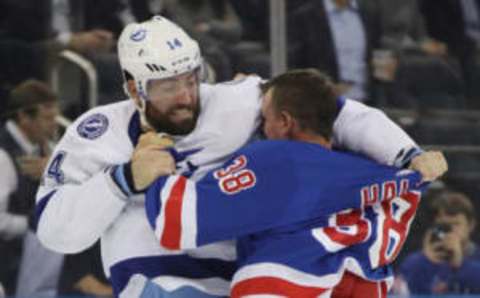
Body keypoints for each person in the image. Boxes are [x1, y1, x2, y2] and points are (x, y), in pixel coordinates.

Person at [35, 16, 442, 297]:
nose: (184, 96)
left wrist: (405, 153)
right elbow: (55, 232)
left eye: (190, 78)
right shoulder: (96, 133)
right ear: (132, 88)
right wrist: (121, 180)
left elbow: (332, 110)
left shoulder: (238, 100)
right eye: (166, 85)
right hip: (154, 277)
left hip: (239, 274)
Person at [143, 69, 447, 297]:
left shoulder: (276, 160)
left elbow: (176, 222)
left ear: (285, 122)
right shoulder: (385, 172)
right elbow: (362, 121)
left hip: (284, 284)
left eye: (264, 118)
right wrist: (415, 155)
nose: (260, 128)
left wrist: (159, 156)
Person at [0, 80, 61, 296]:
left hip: (44, 255)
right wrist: (32, 225)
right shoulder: (3, 156)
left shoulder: (48, 149)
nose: (54, 124)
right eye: (47, 118)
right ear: (24, 117)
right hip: (10, 261)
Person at [396, 191, 480, 294]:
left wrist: (459, 265)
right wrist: (424, 261)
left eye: (455, 224)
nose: (450, 231)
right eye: (443, 225)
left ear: (470, 225)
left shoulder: (477, 260)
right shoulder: (416, 261)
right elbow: (406, 292)